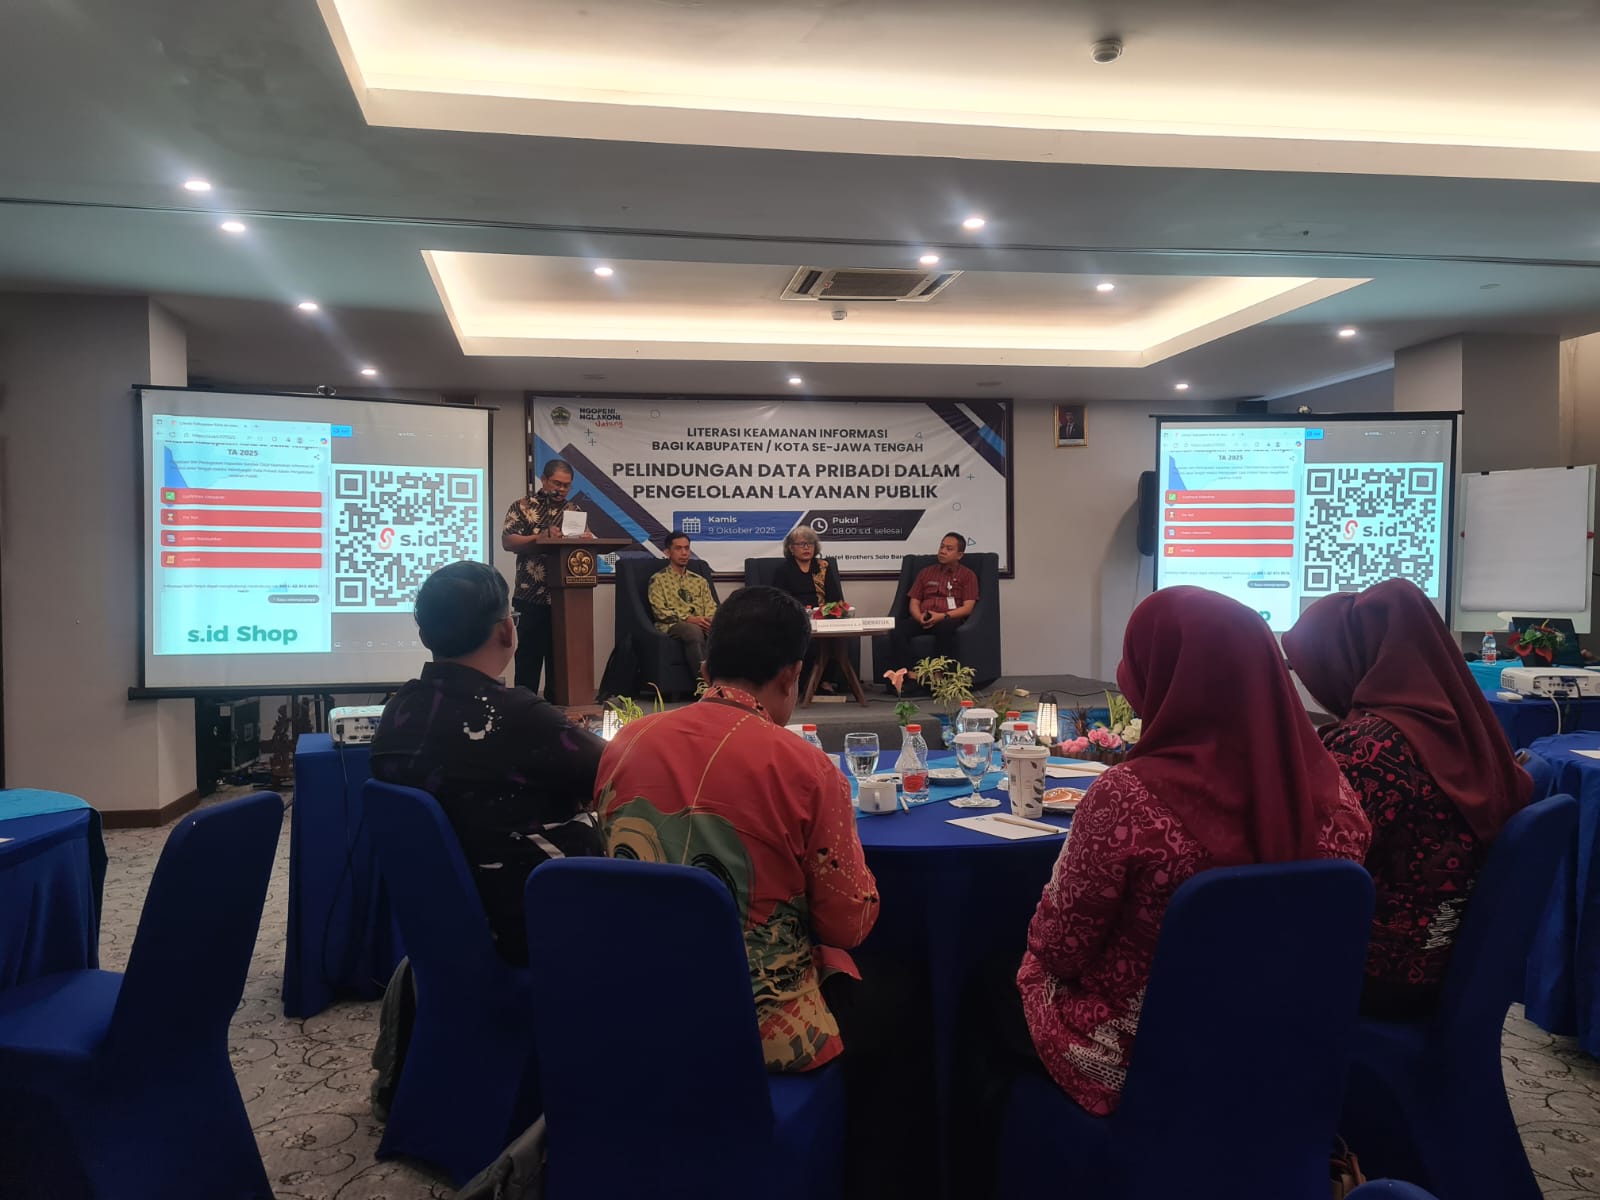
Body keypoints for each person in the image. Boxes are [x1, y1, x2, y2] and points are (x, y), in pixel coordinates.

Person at [1013, 587, 1371, 1116]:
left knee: (986, 993)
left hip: (1142, 1059)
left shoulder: (1128, 798)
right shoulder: (1336, 794)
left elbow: (1060, 949)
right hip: (1288, 1050)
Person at [595, 585, 879, 1071]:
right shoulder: (807, 768)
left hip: (636, 1007)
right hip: (760, 1030)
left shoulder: (625, 742)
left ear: (705, 671)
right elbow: (848, 924)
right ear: (791, 676)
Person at [1284, 578, 1532, 1017]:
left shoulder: (1372, 746)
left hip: (1383, 972)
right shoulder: (1463, 726)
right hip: (1445, 955)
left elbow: (1309, 860)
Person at [371, 560, 606, 966]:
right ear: (506, 630)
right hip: (538, 923)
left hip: (446, 923)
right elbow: (614, 772)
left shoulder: (398, 711)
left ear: (424, 634)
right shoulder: (518, 715)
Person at [500, 458, 589, 698]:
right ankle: (524, 705)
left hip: (565, 599)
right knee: (529, 656)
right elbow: (508, 541)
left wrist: (586, 539)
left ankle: (555, 708)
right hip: (530, 595)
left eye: (566, 485)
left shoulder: (573, 511)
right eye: (557, 483)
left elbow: (581, 545)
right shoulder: (523, 506)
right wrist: (539, 537)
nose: (562, 489)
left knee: (560, 658)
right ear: (544, 480)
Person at [770, 525, 846, 690]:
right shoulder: (783, 570)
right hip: (795, 617)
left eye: (810, 544)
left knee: (836, 639)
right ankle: (804, 684)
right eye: (801, 544)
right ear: (791, 548)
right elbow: (779, 599)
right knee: (804, 640)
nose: (806, 548)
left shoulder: (823, 567)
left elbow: (834, 598)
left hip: (822, 616)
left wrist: (825, 611)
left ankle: (825, 681)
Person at [888, 531, 978, 670]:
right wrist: (919, 617)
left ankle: (938, 673)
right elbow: (914, 601)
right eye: (941, 547)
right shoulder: (926, 572)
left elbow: (968, 608)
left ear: (959, 555)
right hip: (924, 617)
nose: (942, 551)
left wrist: (942, 616)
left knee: (946, 627)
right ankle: (911, 670)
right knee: (896, 629)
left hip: (948, 618)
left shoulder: (967, 575)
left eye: (949, 549)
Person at [646, 529, 717, 683]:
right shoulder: (658, 580)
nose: (684, 553)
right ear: (667, 552)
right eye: (678, 548)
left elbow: (711, 606)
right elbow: (660, 612)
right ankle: (704, 685)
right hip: (673, 624)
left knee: (727, 630)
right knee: (692, 630)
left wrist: (708, 621)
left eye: (687, 548)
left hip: (701, 622)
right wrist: (689, 619)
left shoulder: (699, 581)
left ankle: (731, 684)